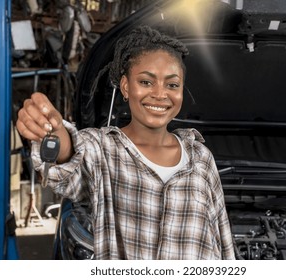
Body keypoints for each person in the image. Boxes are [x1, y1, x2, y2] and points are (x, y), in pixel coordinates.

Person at [16, 26, 235, 260]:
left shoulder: (200, 156)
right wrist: (53, 129)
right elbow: (71, 155)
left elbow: (222, 241)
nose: (160, 94)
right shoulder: (103, 149)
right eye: (146, 82)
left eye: (172, 85)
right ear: (125, 86)